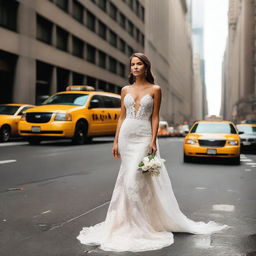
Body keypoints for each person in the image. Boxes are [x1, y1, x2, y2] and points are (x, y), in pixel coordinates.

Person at [77, 53, 228, 252]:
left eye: (139, 64)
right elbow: (122, 117)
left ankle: (142, 223)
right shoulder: (125, 90)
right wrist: (115, 141)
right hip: (126, 136)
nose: (135, 67)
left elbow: (155, 117)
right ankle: (126, 221)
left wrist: (154, 140)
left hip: (143, 136)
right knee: (127, 178)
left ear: (146, 67)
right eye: (132, 64)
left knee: (136, 177)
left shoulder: (155, 89)